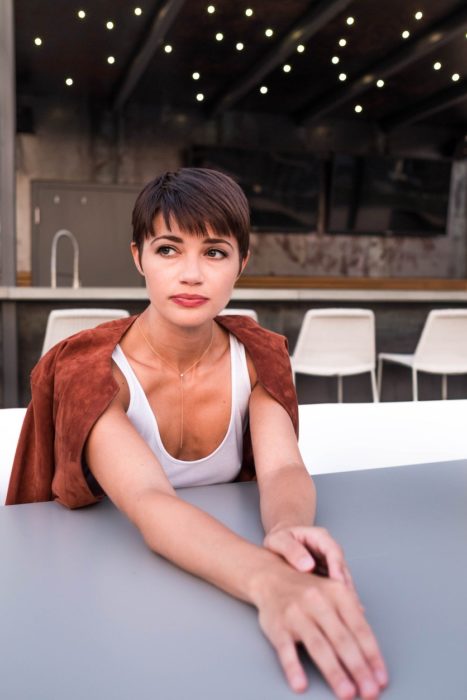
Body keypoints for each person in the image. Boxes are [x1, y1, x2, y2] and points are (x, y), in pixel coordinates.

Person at [7, 168, 388, 700]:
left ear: (241, 264)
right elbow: (147, 499)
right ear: (138, 257)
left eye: (214, 252)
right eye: (168, 250)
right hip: (106, 595)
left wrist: (285, 530)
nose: (191, 274)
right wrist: (269, 581)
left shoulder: (257, 357)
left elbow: (282, 467)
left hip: (212, 587)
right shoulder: (95, 373)